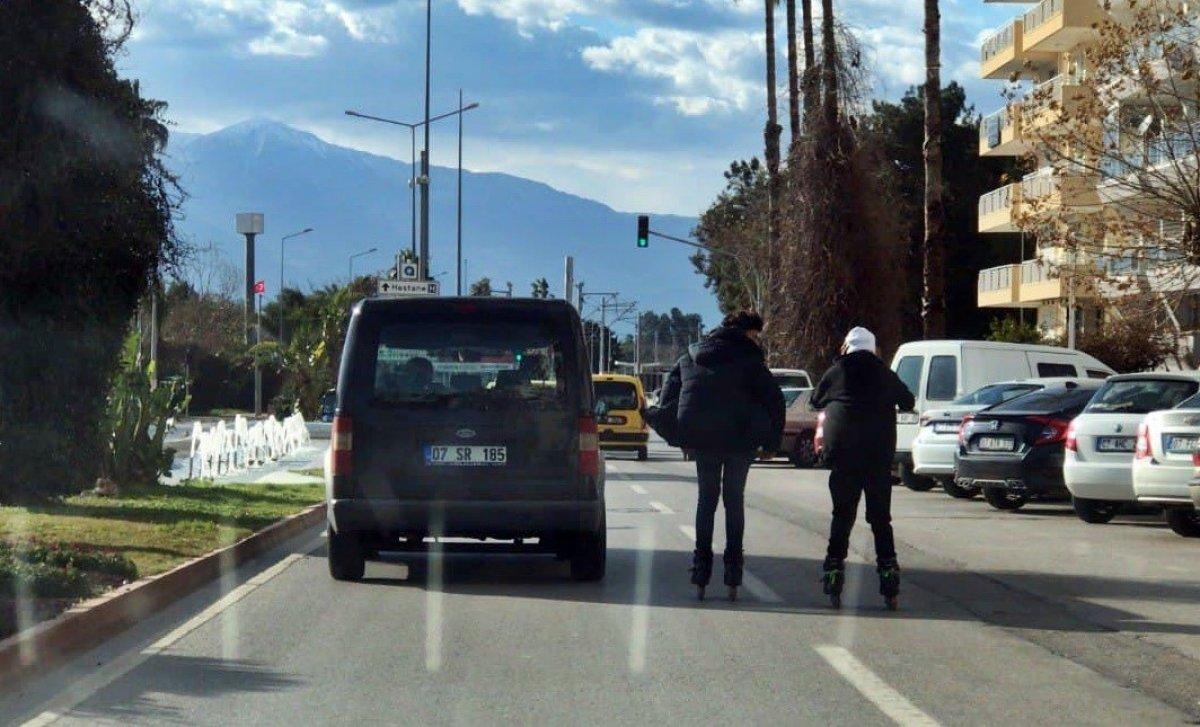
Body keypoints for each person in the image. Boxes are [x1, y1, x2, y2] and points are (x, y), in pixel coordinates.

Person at [654, 311, 784, 600]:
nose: (756, 340)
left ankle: (700, 570)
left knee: (706, 501)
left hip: (704, 440)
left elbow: (669, 393)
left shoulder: (694, 353)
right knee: (734, 502)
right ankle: (733, 573)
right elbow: (774, 400)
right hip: (740, 441)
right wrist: (771, 443)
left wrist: (680, 433)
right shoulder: (750, 359)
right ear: (747, 332)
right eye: (755, 334)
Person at [809, 327, 915, 609]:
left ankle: (833, 572)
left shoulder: (836, 371)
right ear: (873, 349)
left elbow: (815, 401)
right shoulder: (884, 374)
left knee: (842, 516)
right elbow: (908, 401)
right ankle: (889, 577)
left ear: (847, 347)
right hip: (877, 458)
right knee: (880, 519)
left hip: (843, 457)